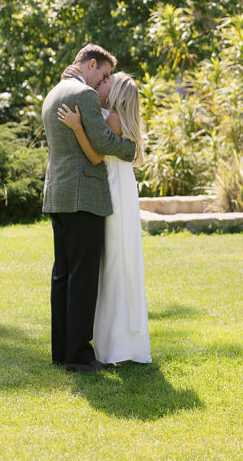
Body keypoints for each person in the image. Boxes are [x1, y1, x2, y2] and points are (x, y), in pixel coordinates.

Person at [41, 43, 137, 372]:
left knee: (63, 276)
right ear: (91, 64)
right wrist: (131, 148)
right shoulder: (83, 95)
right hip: (84, 197)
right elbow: (102, 143)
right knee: (83, 277)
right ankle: (80, 356)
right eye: (104, 73)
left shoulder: (54, 92)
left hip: (58, 195)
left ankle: (62, 351)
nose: (104, 81)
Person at [57, 71, 151, 365]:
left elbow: (95, 154)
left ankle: (114, 346)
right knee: (116, 263)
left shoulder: (111, 119)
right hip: (120, 189)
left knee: (111, 265)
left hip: (111, 192)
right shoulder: (114, 116)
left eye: (109, 80)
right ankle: (121, 343)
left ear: (117, 91)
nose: (103, 81)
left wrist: (75, 127)